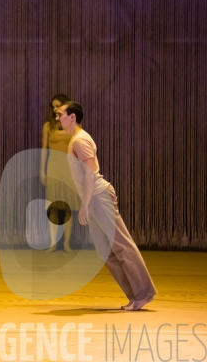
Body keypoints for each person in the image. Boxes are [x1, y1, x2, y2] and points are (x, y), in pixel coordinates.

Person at [56, 101, 157, 311]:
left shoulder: (81, 140)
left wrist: (84, 204)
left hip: (99, 196)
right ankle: (134, 295)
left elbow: (90, 173)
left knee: (121, 244)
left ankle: (143, 293)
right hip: (92, 199)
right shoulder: (76, 139)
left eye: (60, 114)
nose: (57, 118)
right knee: (106, 250)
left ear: (72, 117)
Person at [40, 94, 79, 252]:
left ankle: (66, 244)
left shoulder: (73, 126)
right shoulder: (48, 126)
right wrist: (42, 171)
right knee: (54, 207)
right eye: (53, 106)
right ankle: (53, 243)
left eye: (58, 106)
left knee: (68, 208)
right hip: (53, 168)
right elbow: (43, 149)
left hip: (69, 169)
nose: (55, 109)